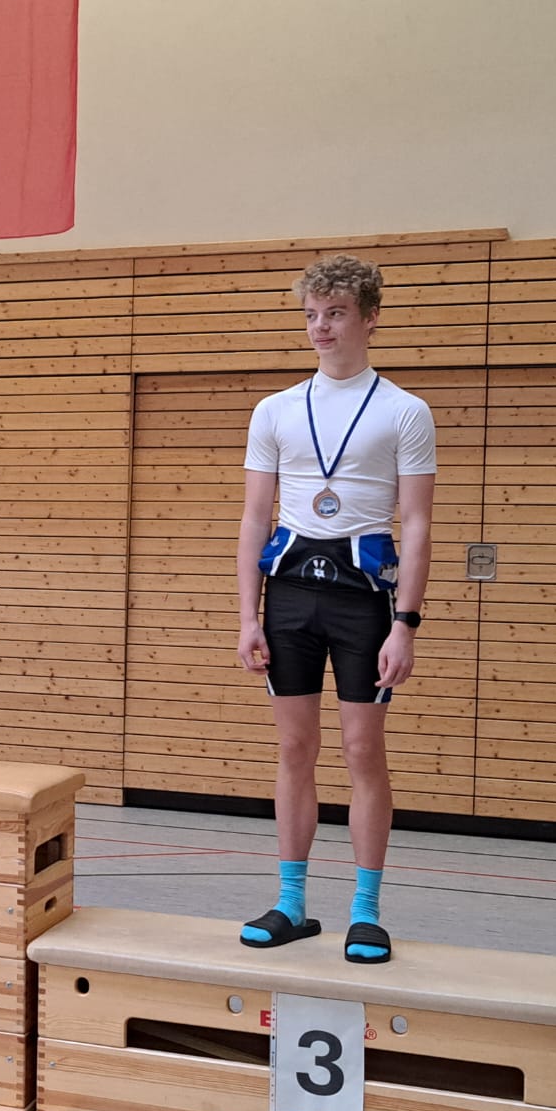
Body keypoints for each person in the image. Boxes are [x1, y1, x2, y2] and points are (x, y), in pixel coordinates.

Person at [234, 254, 436, 964]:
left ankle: (365, 910)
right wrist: (248, 615)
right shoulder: (276, 410)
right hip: (290, 595)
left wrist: (406, 622)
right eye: (312, 315)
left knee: (361, 751)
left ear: (370, 318)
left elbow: (416, 523)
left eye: (336, 314)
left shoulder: (404, 411)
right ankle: (291, 902)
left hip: (363, 602)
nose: (321, 327)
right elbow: (254, 517)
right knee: (295, 748)